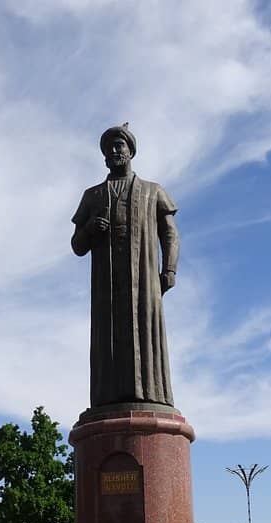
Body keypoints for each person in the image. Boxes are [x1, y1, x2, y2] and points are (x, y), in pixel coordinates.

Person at [71, 124, 180, 408]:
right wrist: (91, 229)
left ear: (131, 151)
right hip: (106, 288)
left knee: (145, 333)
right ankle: (108, 397)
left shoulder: (152, 191)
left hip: (144, 282)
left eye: (119, 146)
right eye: (109, 149)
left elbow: (169, 233)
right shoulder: (92, 196)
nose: (114, 151)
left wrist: (169, 269)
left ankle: (151, 394)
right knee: (108, 341)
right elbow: (77, 246)